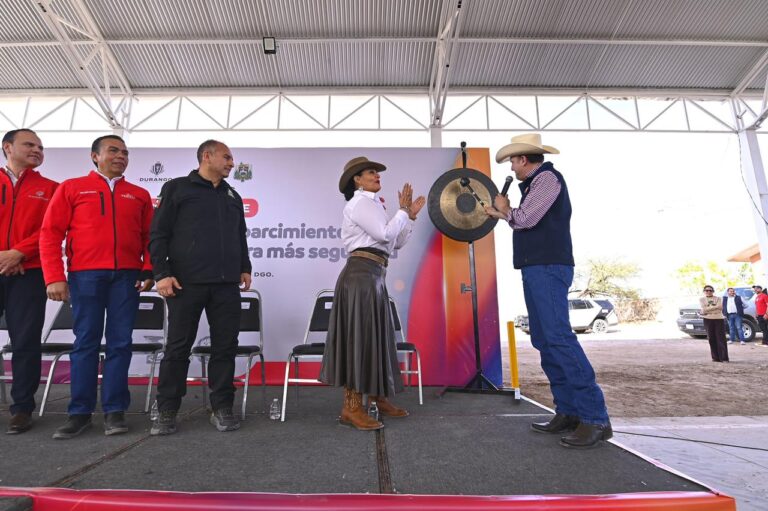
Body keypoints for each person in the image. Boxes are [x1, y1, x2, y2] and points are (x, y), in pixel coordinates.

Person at [484, 133, 611, 449]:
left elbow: (525, 219)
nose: (512, 168)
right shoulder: (534, 184)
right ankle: (567, 411)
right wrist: (505, 213)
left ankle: (595, 418)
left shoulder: (547, 180)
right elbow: (523, 222)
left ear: (524, 160)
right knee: (544, 338)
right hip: (536, 267)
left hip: (548, 267)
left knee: (557, 337)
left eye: (513, 161)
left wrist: (507, 208)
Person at [39, 135, 154, 439]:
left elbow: (149, 239)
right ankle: (80, 413)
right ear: (94, 156)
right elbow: (50, 234)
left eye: (125, 152)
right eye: (113, 151)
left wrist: (148, 268)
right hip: (84, 276)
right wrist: (54, 276)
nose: (121, 156)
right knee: (85, 343)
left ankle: (115, 411)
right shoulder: (72, 188)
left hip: (127, 277)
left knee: (120, 343)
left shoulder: (139, 194)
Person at [149, 140, 251, 436]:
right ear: (207, 156)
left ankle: (222, 407)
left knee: (225, 348)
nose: (232, 163)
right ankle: (167, 409)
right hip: (185, 283)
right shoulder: (177, 188)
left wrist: (245, 267)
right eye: (227, 157)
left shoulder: (233, 195)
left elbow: (239, 237)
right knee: (178, 349)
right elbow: (159, 234)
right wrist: (161, 274)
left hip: (226, 286)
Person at [318, 156, 425, 431]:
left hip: (374, 275)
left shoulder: (374, 204)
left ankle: (377, 397)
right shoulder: (359, 203)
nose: (377, 175)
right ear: (357, 178)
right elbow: (384, 233)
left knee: (376, 338)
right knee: (360, 338)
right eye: (370, 172)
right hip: (361, 275)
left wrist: (409, 216)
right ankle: (351, 408)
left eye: (377, 172)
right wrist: (402, 212)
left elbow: (394, 242)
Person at [0, 129, 58, 434]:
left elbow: (52, 230)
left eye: (40, 147)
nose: (37, 150)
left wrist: (18, 252)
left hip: (29, 273)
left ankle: (22, 408)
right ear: (8, 147)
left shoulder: (52, 189)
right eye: (29, 145)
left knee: (25, 342)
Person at [699, 285, 728, 362]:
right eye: (706, 290)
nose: (708, 292)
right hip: (707, 319)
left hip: (719, 319)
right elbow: (703, 309)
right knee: (711, 338)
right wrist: (714, 308)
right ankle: (715, 357)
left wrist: (707, 310)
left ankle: (724, 357)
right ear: (704, 291)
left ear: (713, 291)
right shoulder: (702, 299)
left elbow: (720, 307)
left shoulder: (718, 298)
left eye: (710, 290)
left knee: (721, 338)